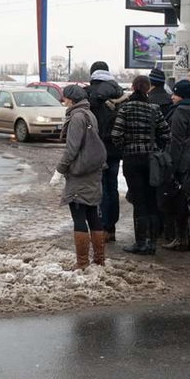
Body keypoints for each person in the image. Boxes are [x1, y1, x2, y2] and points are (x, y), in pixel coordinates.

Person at [111, 75, 171, 255]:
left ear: (133, 87)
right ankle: (152, 243)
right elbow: (166, 134)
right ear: (148, 88)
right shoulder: (154, 109)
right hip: (151, 160)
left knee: (139, 201)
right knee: (152, 200)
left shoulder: (125, 108)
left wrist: (126, 147)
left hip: (132, 160)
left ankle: (140, 242)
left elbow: (116, 134)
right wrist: (155, 147)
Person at [57, 86, 107, 269]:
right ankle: (99, 260)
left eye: (65, 98)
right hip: (93, 171)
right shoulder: (89, 114)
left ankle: (82, 263)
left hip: (80, 173)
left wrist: (60, 170)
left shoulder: (77, 117)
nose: (64, 101)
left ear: (71, 99)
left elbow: (72, 149)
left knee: (79, 216)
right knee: (93, 214)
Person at [83, 61, 125, 243]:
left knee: (99, 189)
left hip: (97, 148)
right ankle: (111, 228)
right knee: (112, 187)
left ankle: (100, 227)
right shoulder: (120, 92)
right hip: (116, 148)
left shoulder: (91, 94)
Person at [161, 80, 190, 251]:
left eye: (175, 94)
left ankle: (181, 238)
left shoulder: (180, 112)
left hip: (182, 162)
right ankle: (189, 236)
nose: (172, 97)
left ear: (183, 96)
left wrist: (171, 167)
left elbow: (176, 142)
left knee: (178, 200)